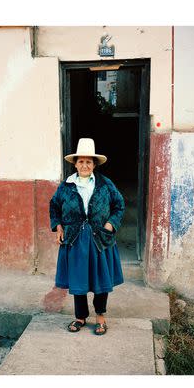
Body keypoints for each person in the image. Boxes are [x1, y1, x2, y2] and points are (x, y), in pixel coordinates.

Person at [49, 138, 125, 335]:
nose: (84, 165)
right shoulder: (66, 186)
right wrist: (58, 227)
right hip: (74, 239)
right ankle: (80, 317)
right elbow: (54, 206)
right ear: (75, 164)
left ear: (94, 164)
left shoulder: (105, 184)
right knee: (78, 279)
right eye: (81, 161)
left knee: (100, 280)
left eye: (88, 162)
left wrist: (110, 224)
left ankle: (100, 317)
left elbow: (119, 205)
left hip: (99, 238)